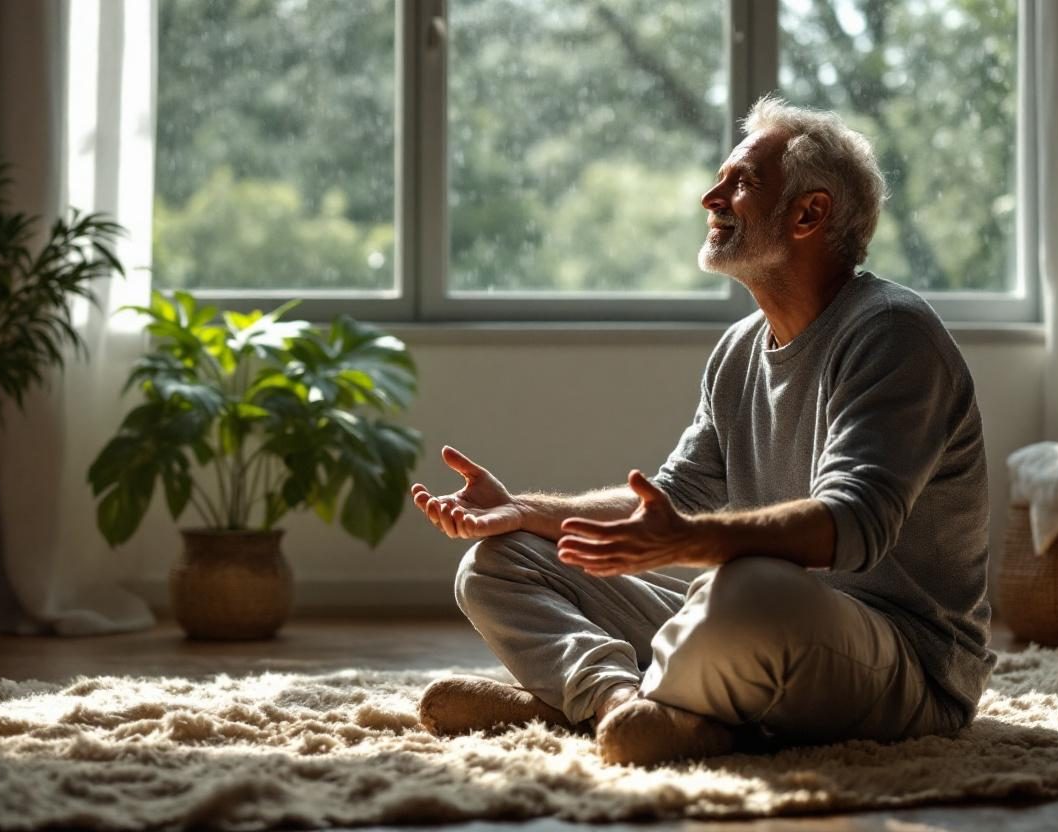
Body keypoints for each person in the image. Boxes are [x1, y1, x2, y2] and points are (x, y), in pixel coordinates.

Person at [409, 95, 995, 766]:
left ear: (809, 213)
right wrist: (523, 511)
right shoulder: (738, 350)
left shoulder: (891, 333)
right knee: (498, 562)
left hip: (907, 663)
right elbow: (673, 498)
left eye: (741, 181)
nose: (710, 198)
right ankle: (621, 706)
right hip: (753, 624)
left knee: (744, 587)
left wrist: (691, 541)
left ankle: (590, 706)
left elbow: (854, 525)